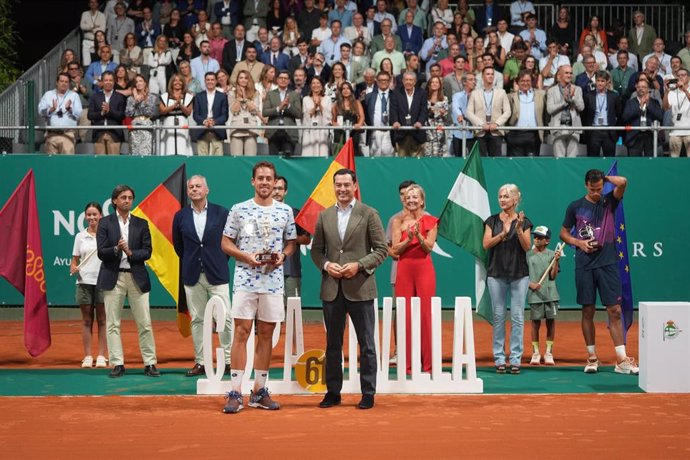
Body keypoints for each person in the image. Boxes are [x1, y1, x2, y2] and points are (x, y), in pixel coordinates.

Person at [221, 161, 297, 414]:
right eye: (260, 178)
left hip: (273, 282)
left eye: (269, 179)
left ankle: (259, 391)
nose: (265, 182)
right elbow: (225, 243)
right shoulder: (239, 210)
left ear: (275, 182)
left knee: (266, 335)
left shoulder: (285, 211)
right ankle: (234, 392)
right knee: (241, 333)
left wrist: (283, 257)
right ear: (253, 181)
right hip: (245, 280)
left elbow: (291, 243)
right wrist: (245, 257)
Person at [311, 168, 388, 410]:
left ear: (355, 186)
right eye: (338, 185)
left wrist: (359, 265)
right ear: (333, 187)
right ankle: (332, 392)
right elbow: (316, 250)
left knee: (366, 344)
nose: (342, 189)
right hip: (332, 289)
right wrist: (326, 264)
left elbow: (381, 250)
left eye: (346, 184)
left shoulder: (369, 214)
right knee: (332, 344)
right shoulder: (324, 216)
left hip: (361, 288)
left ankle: (368, 394)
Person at [559, 169, 639, 375]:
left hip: (608, 263)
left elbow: (623, 181)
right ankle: (592, 357)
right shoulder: (575, 206)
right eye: (593, 189)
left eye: (599, 188)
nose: (596, 192)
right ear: (586, 185)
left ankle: (622, 360)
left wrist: (605, 179)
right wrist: (579, 243)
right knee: (588, 310)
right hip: (584, 264)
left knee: (615, 311)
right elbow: (563, 233)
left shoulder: (610, 201)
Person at [172, 175, 233, 377]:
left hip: (217, 273)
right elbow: (179, 247)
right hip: (191, 276)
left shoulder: (222, 213)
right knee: (197, 319)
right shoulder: (180, 216)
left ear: (207, 190)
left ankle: (229, 361)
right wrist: (193, 262)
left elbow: (230, 242)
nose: (194, 189)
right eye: (191, 187)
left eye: (198, 186)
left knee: (224, 318)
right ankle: (201, 362)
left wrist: (216, 261)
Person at [96, 184, 159, 378]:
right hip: (112, 276)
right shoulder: (105, 223)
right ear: (114, 200)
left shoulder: (141, 223)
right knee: (113, 323)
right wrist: (117, 249)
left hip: (136, 275)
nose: (127, 201)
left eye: (130, 197)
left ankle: (150, 363)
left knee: (145, 322)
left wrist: (130, 252)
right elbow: (101, 251)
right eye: (123, 197)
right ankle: (117, 363)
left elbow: (147, 251)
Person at [482, 184, 533, 374]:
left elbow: (527, 247)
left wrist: (518, 229)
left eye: (506, 197)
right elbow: (486, 243)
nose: (502, 200)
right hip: (496, 274)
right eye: (500, 196)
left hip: (519, 274)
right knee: (498, 317)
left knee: (518, 317)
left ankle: (516, 359)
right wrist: (502, 234)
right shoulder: (491, 221)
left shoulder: (525, 222)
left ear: (515, 200)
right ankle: (499, 358)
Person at [390, 184, 438, 374]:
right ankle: (408, 364)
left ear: (422, 200)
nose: (411, 200)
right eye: (408, 197)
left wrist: (418, 234)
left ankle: (428, 365)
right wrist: (408, 239)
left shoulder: (432, 221)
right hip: (404, 269)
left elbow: (428, 247)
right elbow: (394, 250)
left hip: (424, 269)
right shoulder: (397, 221)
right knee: (405, 315)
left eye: (415, 197)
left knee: (426, 315)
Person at [70, 202, 107, 368]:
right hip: (84, 282)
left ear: (101, 216)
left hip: (102, 281)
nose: (92, 217)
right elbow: (74, 260)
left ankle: (101, 356)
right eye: (89, 215)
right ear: (85, 217)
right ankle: (87, 356)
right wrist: (74, 268)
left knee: (102, 320)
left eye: (95, 214)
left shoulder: (106, 236)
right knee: (86, 320)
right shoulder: (80, 236)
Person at [526, 226, 561, 366]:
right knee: (535, 323)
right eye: (535, 237)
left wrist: (556, 261)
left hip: (551, 295)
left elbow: (553, 276)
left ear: (547, 241)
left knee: (551, 322)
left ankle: (548, 352)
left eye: (540, 238)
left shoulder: (553, 255)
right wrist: (531, 284)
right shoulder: (527, 255)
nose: (536, 239)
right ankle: (535, 353)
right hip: (535, 295)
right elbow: (522, 277)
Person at [466, 67, 511, 157]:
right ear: (482, 77)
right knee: (480, 160)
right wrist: (480, 124)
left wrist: (497, 124)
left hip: (496, 131)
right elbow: (468, 112)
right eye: (488, 74)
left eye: (492, 74)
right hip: (480, 131)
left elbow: (507, 111)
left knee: (496, 161)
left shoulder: (501, 92)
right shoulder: (475, 93)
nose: (490, 76)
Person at [38, 73, 83, 155]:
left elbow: (79, 114)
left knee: (67, 163)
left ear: (69, 84)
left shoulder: (74, 96)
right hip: (52, 135)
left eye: (66, 82)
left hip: (68, 135)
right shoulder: (48, 94)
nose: (64, 83)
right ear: (57, 82)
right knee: (51, 163)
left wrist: (70, 109)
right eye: (61, 81)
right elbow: (40, 111)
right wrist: (51, 109)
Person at [546, 65, 584, 158]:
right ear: (560, 75)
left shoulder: (577, 89)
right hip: (558, 128)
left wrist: (573, 97)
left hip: (574, 129)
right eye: (566, 73)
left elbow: (581, 107)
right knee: (559, 160)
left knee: (572, 160)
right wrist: (564, 102)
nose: (569, 75)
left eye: (571, 73)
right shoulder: (551, 91)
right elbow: (549, 110)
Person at [621, 77, 664, 157]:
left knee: (650, 163)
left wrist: (648, 105)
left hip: (650, 136)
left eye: (643, 87)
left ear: (648, 89)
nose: (641, 89)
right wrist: (640, 107)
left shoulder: (654, 102)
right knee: (635, 163)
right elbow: (625, 117)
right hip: (635, 136)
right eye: (639, 87)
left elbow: (660, 116)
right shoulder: (630, 102)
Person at [263, 70, 303, 156]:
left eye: (285, 78)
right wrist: (279, 108)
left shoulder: (294, 94)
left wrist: (288, 106)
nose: (283, 80)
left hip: (289, 132)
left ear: (289, 81)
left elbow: (299, 114)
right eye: (281, 78)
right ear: (277, 80)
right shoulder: (270, 94)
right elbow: (265, 112)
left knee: (288, 160)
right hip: (273, 131)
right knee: (273, 160)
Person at [582, 70, 622, 157]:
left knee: (609, 159)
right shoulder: (588, 95)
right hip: (593, 131)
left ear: (607, 82)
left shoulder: (614, 96)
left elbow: (619, 115)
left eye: (602, 81)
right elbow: (584, 115)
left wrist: (616, 132)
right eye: (598, 81)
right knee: (592, 159)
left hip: (609, 131)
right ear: (595, 81)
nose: (600, 83)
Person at [507, 69, 545, 156]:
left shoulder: (541, 94)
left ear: (532, 82)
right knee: (515, 165)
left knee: (532, 165)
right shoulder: (510, 96)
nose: (525, 83)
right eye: (522, 81)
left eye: (528, 81)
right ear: (518, 82)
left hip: (534, 135)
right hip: (515, 135)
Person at [88, 71, 126, 155]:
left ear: (114, 82)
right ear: (102, 82)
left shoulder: (120, 97)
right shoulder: (95, 97)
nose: (108, 82)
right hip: (98, 134)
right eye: (106, 80)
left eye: (110, 80)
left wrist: (109, 111)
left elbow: (122, 116)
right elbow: (89, 115)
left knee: (113, 164)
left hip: (114, 134)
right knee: (100, 164)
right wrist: (101, 113)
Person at [390, 71, 427, 157]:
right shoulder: (396, 93)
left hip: (417, 134)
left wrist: (420, 122)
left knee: (417, 164)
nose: (408, 82)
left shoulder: (422, 93)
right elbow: (393, 110)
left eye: (410, 80)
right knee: (403, 164)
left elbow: (423, 110)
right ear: (402, 81)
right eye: (406, 80)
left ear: (415, 81)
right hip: (402, 134)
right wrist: (395, 121)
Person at [192, 72, 229, 156]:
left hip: (217, 130)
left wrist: (214, 122)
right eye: (208, 80)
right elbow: (195, 115)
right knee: (202, 160)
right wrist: (204, 121)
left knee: (218, 160)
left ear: (216, 81)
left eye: (212, 80)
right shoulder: (198, 96)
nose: (210, 82)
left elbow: (225, 116)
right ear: (204, 81)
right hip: (202, 130)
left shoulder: (222, 96)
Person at [227, 70, 262, 156]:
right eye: (241, 78)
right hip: (236, 129)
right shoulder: (231, 93)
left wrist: (245, 98)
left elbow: (254, 110)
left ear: (249, 80)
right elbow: (234, 111)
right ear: (237, 80)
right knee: (236, 159)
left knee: (250, 159)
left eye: (246, 78)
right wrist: (239, 98)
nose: (243, 80)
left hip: (251, 128)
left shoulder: (256, 93)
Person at [159, 73, 194, 155]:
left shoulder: (188, 96)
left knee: (182, 145)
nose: (177, 82)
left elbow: (188, 112)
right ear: (171, 82)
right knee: (169, 145)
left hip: (182, 123)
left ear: (183, 83)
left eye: (180, 80)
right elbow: (162, 111)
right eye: (175, 80)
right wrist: (174, 105)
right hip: (168, 123)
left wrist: (180, 105)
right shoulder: (165, 96)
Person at [125, 74, 158, 155]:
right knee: (134, 152)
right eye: (136, 82)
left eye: (141, 81)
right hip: (135, 126)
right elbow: (128, 113)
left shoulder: (151, 97)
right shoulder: (130, 98)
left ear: (145, 83)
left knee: (147, 151)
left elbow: (150, 112)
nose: (139, 83)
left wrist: (141, 101)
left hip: (147, 125)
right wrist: (136, 101)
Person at [364, 70, 395, 157]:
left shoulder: (395, 95)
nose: (383, 82)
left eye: (386, 80)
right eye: (381, 80)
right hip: (375, 131)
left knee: (389, 161)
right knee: (374, 160)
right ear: (376, 81)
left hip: (390, 131)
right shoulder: (369, 97)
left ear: (389, 81)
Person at [302, 77, 332, 157]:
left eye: (318, 83)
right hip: (309, 131)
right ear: (311, 86)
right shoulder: (306, 99)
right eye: (313, 83)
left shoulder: (327, 99)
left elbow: (328, 116)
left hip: (322, 131)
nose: (316, 85)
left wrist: (319, 104)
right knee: (308, 153)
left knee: (322, 153)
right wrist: (315, 106)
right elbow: (307, 116)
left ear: (322, 86)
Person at [663, 67, 690, 157]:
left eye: (683, 75)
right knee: (674, 160)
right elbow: (665, 108)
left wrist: (685, 90)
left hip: (689, 131)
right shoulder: (672, 93)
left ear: (688, 78)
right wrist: (666, 92)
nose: (680, 77)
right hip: (675, 131)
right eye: (678, 76)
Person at [332, 81, 364, 154]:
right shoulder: (336, 104)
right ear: (341, 91)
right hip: (340, 134)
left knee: (353, 156)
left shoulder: (357, 102)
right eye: (343, 89)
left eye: (348, 88)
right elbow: (333, 119)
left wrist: (359, 124)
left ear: (351, 90)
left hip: (353, 133)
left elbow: (362, 117)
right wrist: (334, 123)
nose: (345, 90)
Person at [451, 72, 477, 156]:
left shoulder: (479, 95)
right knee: (458, 158)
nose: (474, 82)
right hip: (459, 132)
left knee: (473, 158)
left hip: (474, 133)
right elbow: (455, 107)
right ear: (464, 82)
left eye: (474, 80)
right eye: (471, 80)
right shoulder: (457, 96)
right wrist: (459, 115)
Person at [424, 76, 449, 157]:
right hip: (427, 130)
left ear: (439, 85)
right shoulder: (424, 98)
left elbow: (445, 116)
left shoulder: (444, 99)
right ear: (429, 84)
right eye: (432, 82)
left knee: (439, 154)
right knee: (427, 154)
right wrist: (436, 111)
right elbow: (424, 113)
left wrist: (438, 112)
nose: (434, 84)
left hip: (439, 131)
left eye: (436, 82)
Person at [81, 0, 107, 67]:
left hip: (98, 42)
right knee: (86, 63)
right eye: (91, 2)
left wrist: (90, 30)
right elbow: (82, 26)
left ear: (97, 4)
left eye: (95, 2)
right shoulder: (85, 13)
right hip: (87, 41)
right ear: (89, 4)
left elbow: (102, 30)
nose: (93, 4)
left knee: (97, 61)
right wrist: (92, 27)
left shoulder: (102, 15)